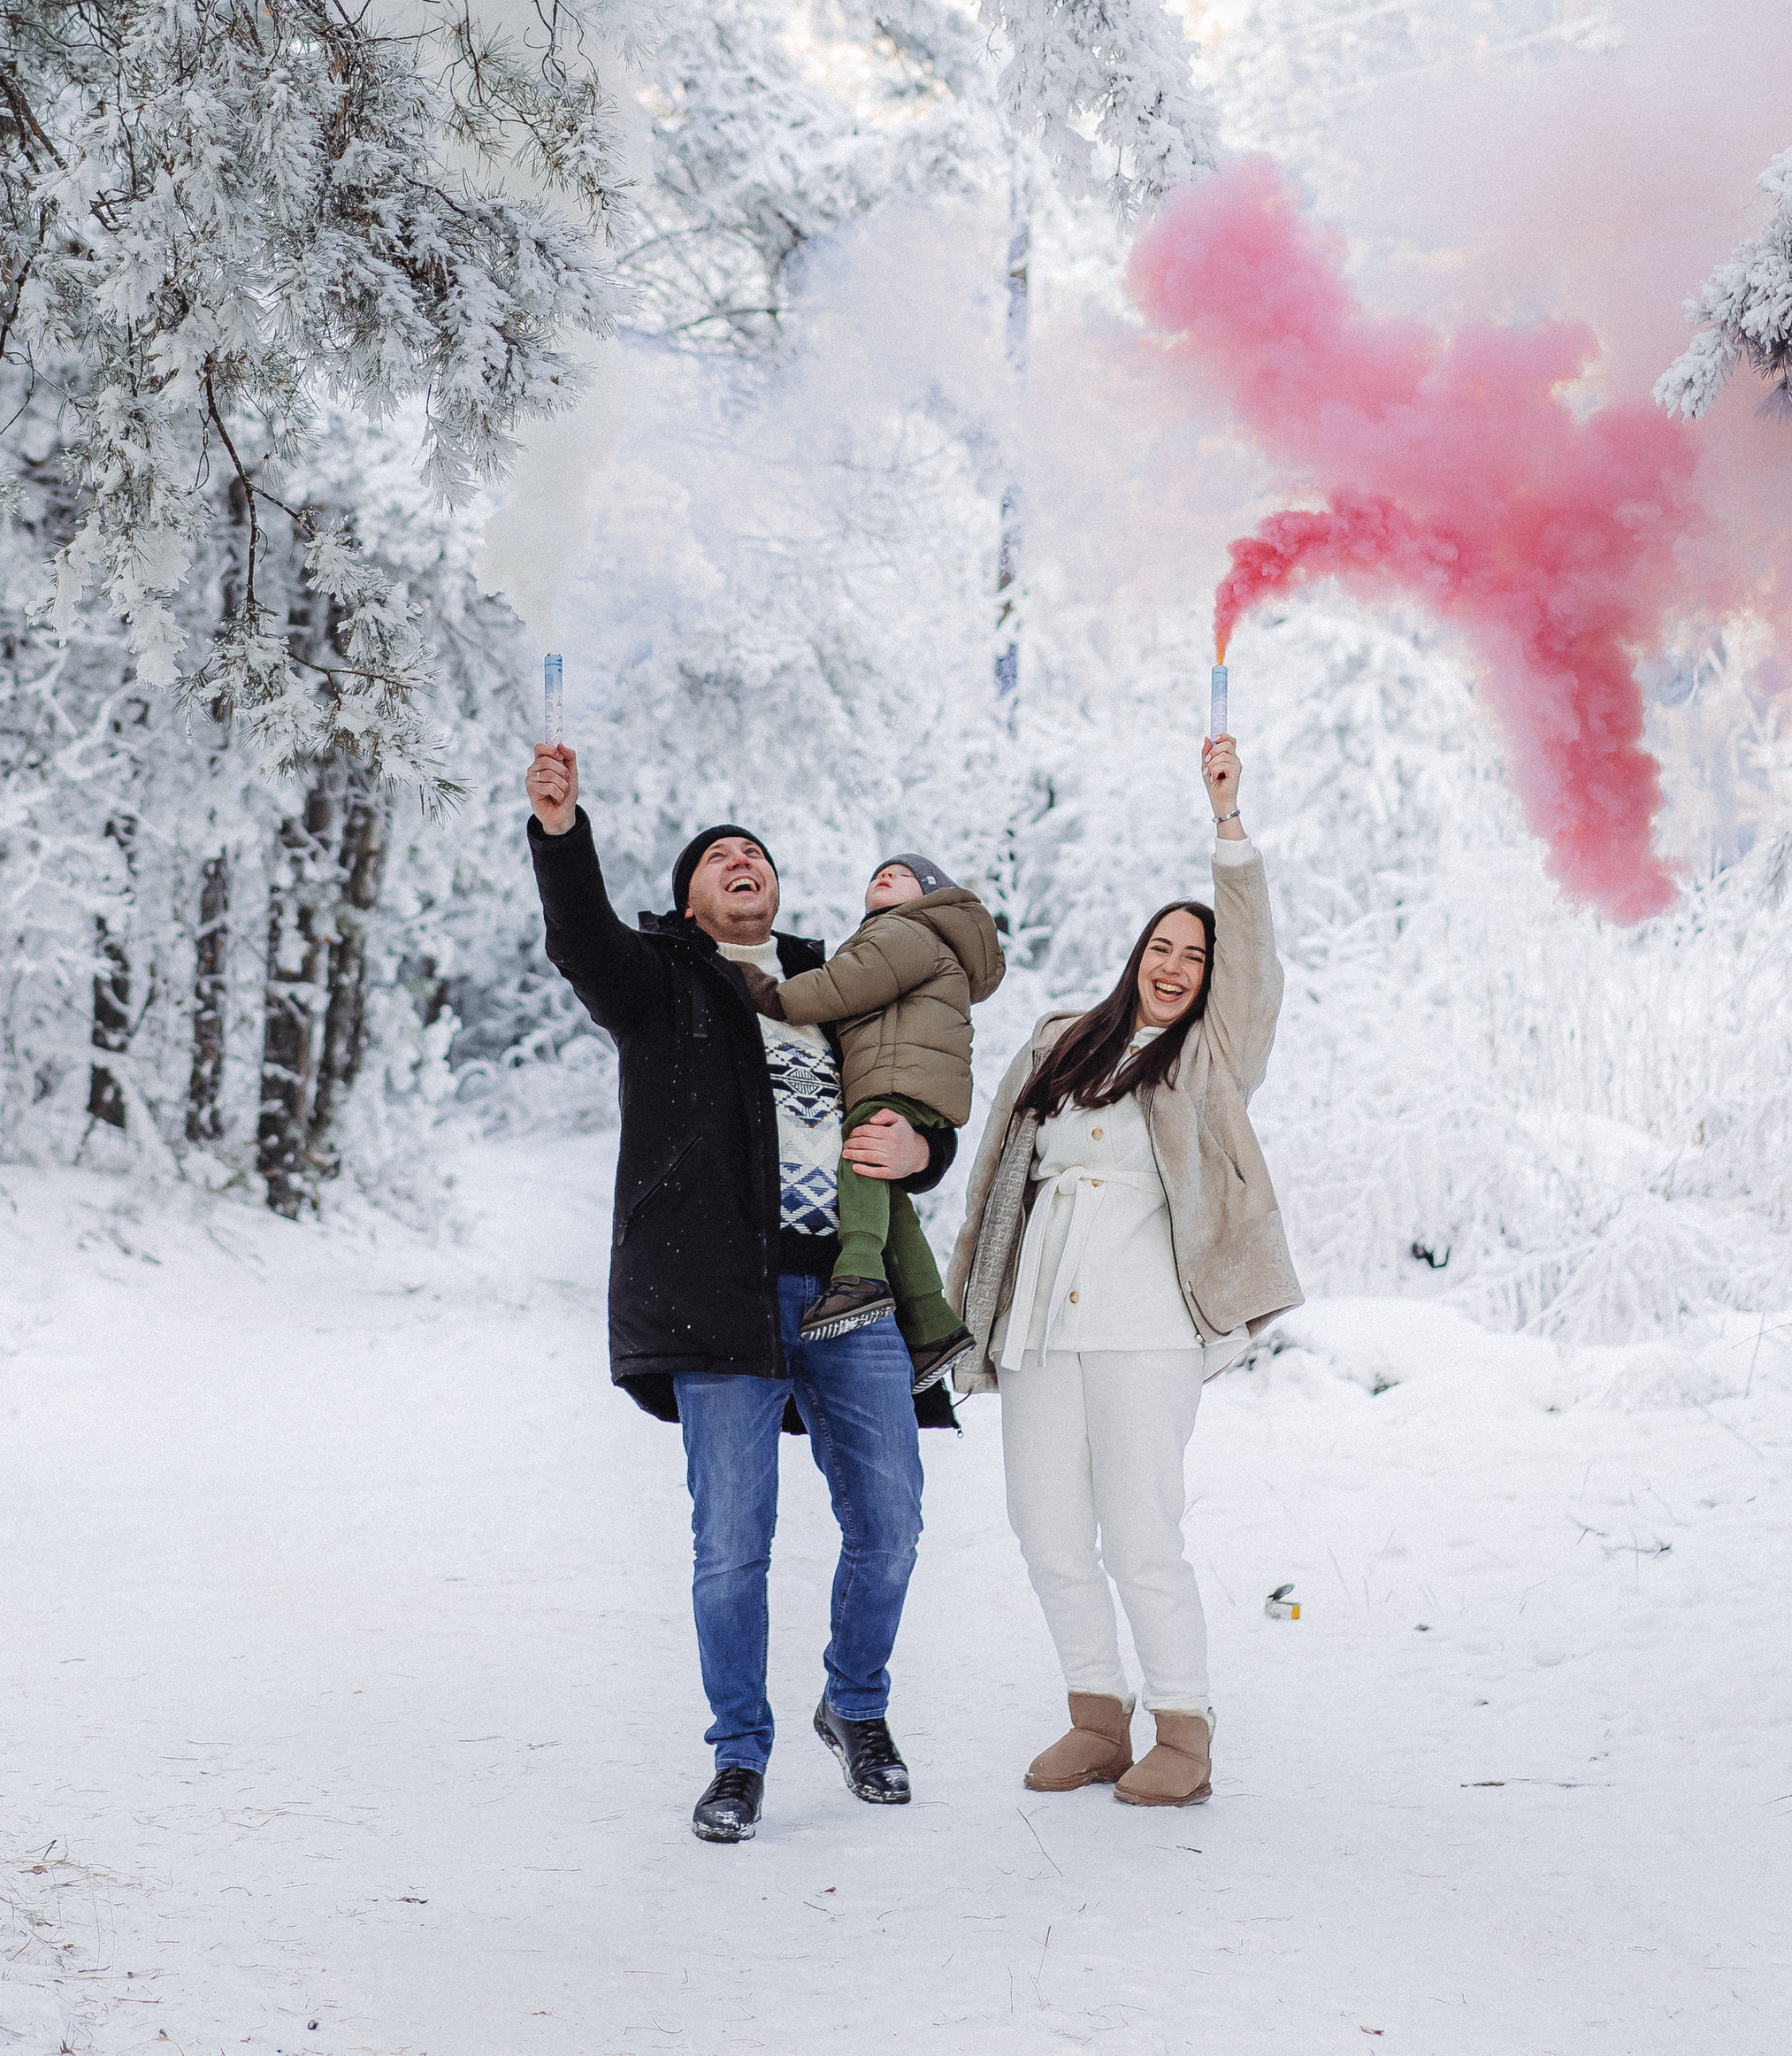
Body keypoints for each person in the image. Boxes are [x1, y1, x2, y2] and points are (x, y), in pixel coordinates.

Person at [525, 741, 957, 1846]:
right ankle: (739, 1755)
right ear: (687, 901)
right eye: (717, 856)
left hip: (848, 1293)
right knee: (732, 1543)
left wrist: (927, 1148)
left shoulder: (833, 981)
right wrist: (563, 834)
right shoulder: (659, 985)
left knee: (893, 1524)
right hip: (718, 1297)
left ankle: (854, 1706)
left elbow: (921, 1082)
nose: (739, 859)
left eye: (754, 852)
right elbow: (579, 938)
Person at [945, 730, 1299, 1809]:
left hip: (1148, 1330)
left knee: (1143, 1534)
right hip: (1040, 1326)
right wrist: (971, 1314)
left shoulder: (1209, 1062)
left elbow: (1252, 959)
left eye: (1195, 955)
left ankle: (1182, 1729)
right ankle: (1096, 1717)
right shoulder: (1060, 1043)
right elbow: (990, 1187)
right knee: (1046, 1529)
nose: (1176, 963)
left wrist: (1227, 829)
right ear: (1135, 953)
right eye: (1163, 946)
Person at [754, 852, 1003, 1382]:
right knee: (883, 1189)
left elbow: (846, 983)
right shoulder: (911, 937)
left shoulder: (909, 932)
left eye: (906, 875)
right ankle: (934, 1324)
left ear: (932, 896)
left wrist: (773, 997)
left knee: (860, 1157)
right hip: (912, 1087)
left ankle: (860, 1273)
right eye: (879, 874)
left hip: (898, 1082)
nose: (885, 875)